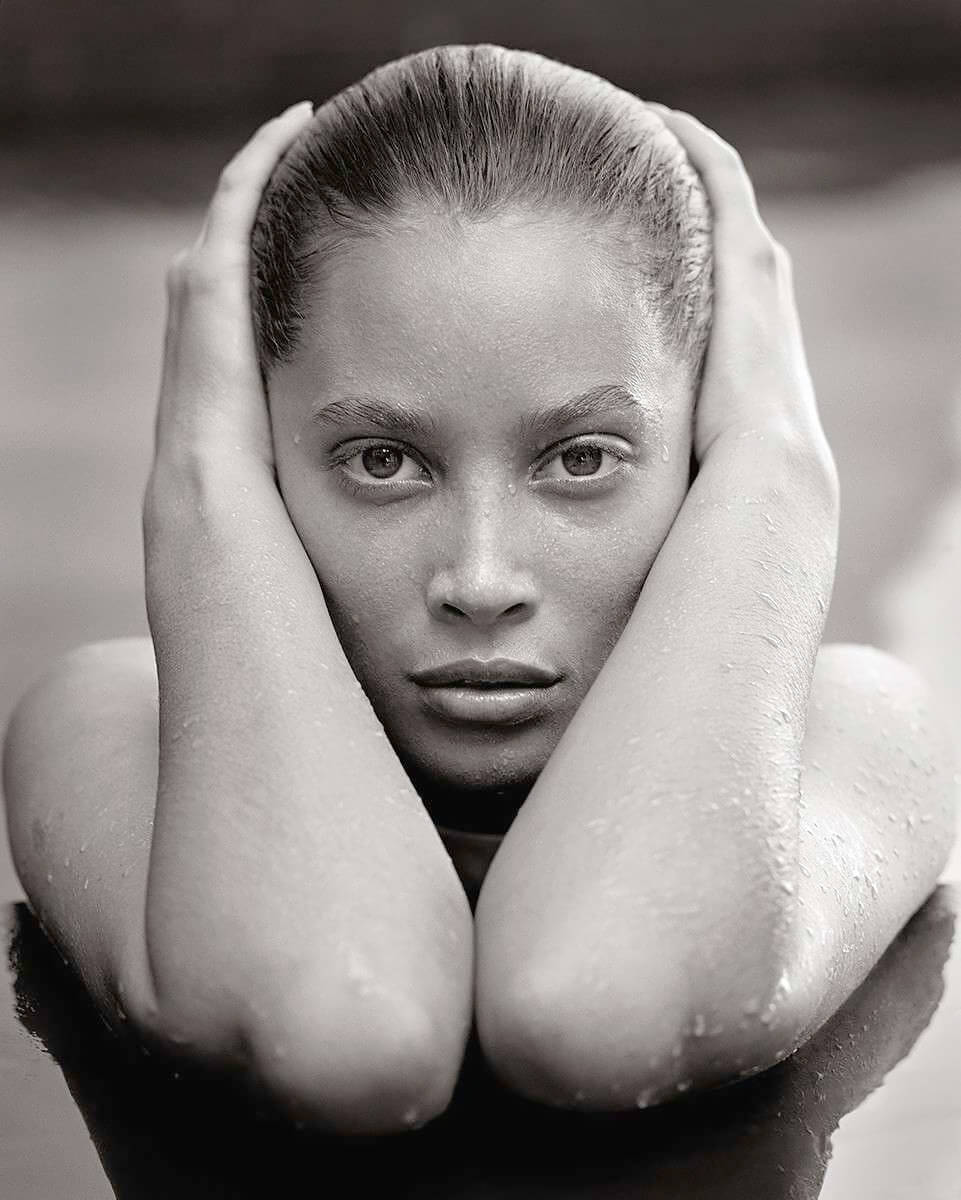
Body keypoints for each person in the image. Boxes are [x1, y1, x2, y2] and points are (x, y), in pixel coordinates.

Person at [3, 45, 956, 1135]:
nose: (481, 580)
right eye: (380, 461)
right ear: (258, 448)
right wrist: (203, 488)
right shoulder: (110, 721)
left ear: (703, 446)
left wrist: (777, 471)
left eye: (584, 459)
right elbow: (344, 1032)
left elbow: (599, 1008)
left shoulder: (856, 731)